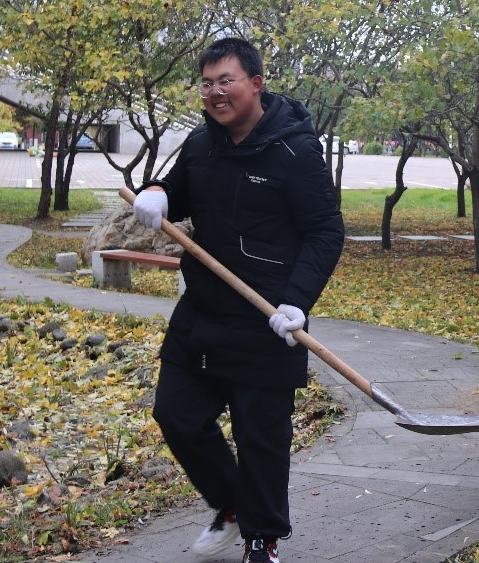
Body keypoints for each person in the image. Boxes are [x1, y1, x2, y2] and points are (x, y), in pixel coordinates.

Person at [131, 37, 345, 563]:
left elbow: (325, 231)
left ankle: (260, 540)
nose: (215, 92)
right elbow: (178, 190)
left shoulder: (295, 151)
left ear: (255, 83)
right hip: (202, 313)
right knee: (176, 414)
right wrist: (157, 192)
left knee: (260, 438)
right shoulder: (201, 144)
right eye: (207, 84)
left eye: (225, 81)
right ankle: (230, 504)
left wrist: (297, 302)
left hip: (266, 318)